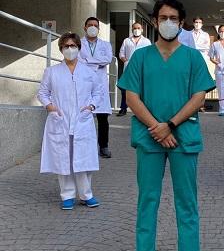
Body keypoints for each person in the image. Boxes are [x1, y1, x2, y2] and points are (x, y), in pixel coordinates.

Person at [117, 0, 216, 251]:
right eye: (163, 17)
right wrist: (156, 127)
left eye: (173, 17)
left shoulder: (193, 57)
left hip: (182, 137)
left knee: (187, 201)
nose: (168, 22)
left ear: (181, 22)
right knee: (148, 199)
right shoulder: (141, 57)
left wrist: (170, 125)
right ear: (155, 22)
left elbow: (199, 96)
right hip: (150, 139)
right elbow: (131, 96)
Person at [38, 32, 103, 210]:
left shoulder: (88, 72)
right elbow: (42, 93)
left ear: (79, 48)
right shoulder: (52, 72)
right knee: (63, 158)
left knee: (83, 159)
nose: (70, 49)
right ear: (60, 49)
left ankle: (86, 194)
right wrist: (50, 107)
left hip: (82, 121)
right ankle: (67, 195)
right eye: (66, 46)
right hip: (60, 121)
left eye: (73, 46)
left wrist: (91, 106)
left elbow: (98, 93)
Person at [79, 17, 113, 158]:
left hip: (100, 84)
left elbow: (108, 59)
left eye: (95, 25)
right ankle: (82, 147)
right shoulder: (78, 43)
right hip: (84, 83)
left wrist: (89, 61)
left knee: (103, 119)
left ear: (99, 28)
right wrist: (97, 63)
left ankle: (103, 147)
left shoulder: (106, 45)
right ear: (85, 27)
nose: (93, 27)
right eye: (90, 25)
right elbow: (79, 61)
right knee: (83, 117)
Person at [118, 23, 151, 116]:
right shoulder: (126, 41)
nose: (136, 29)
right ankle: (123, 109)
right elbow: (121, 54)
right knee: (125, 89)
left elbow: (150, 55)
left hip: (142, 69)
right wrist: (126, 61)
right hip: (128, 68)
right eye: (135, 28)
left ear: (142, 30)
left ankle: (142, 110)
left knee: (141, 89)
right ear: (132, 29)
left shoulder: (147, 41)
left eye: (138, 28)